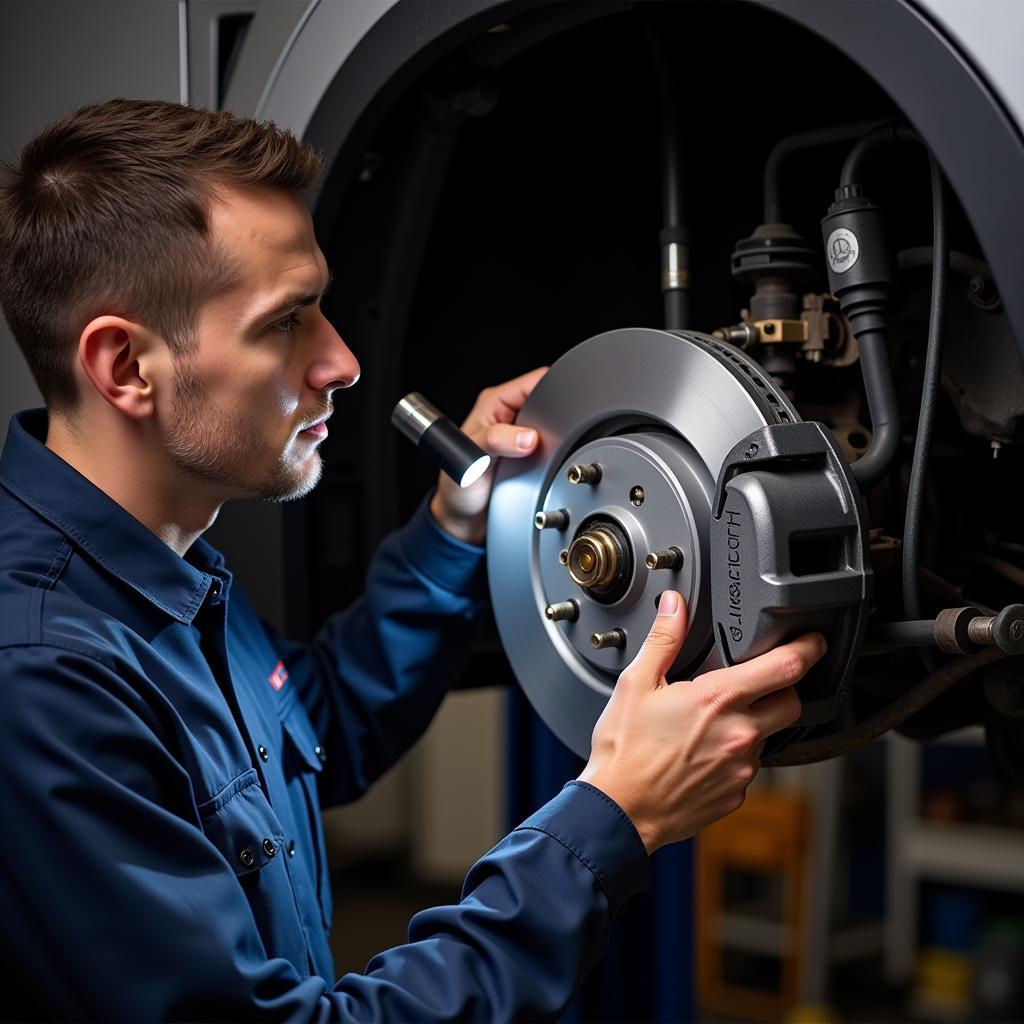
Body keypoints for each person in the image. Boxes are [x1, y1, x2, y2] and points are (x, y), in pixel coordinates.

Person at [0, 99, 823, 1021]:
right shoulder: (40, 676)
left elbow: (319, 730)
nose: (342, 361)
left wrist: (455, 529)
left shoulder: (164, 577)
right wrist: (609, 822)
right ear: (125, 368)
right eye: (286, 323)